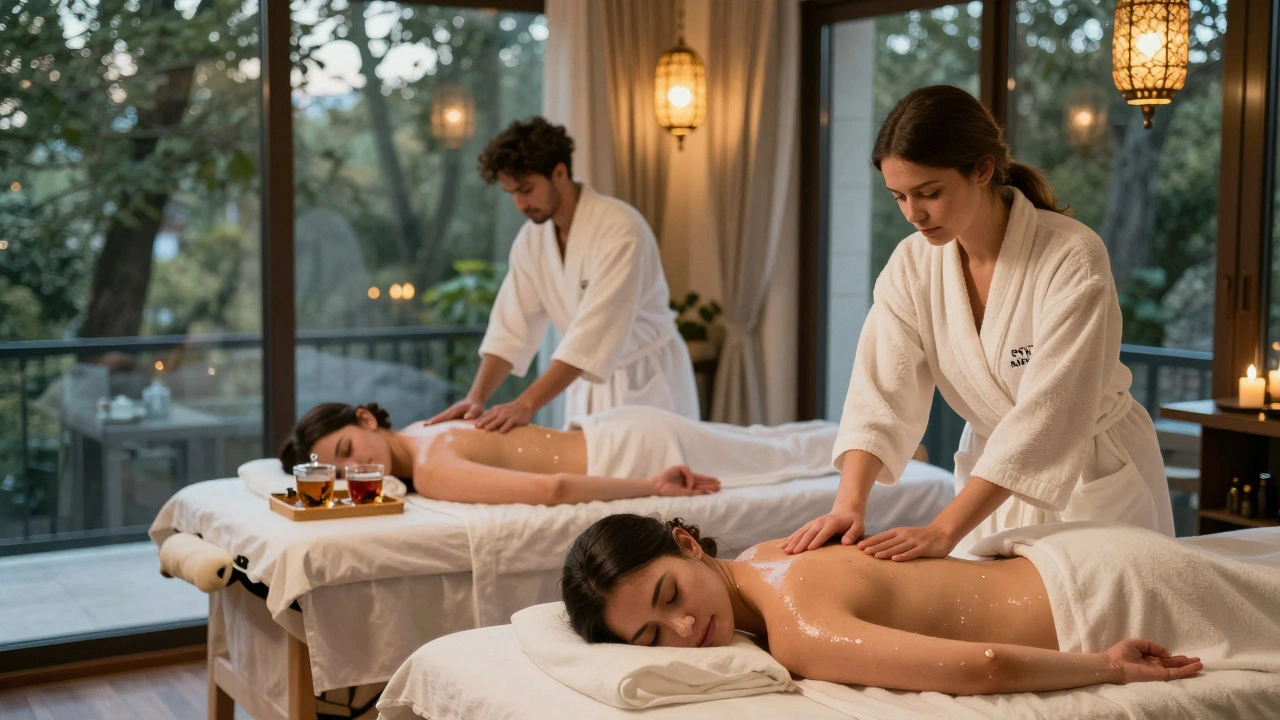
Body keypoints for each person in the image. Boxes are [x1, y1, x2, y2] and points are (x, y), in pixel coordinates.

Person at [785, 85, 1173, 561]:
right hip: (987, 487)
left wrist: (943, 529)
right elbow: (880, 390)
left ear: (983, 169)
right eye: (899, 196)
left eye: (929, 193)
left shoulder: (1071, 256)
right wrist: (848, 505)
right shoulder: (912, 265)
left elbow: (1049, 414)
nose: (913, 214)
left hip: (1087, 473)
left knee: (1105, 630)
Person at [560, 514, 1214, 695]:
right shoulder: (771, 547)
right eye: (651, 639)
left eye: (669, 595)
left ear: (687, 544)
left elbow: (985, 666)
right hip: (1070, 555)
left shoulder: (798, 630)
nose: (682, 628)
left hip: (1101, 596)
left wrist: (1109, 668)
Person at [427, 117, 698, 433]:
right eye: (511, 192)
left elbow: (593, 334)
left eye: (526, 189)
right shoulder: (532, 240)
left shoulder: (621, 231)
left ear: (560, 172)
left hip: (646, 383)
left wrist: (526, 404)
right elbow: (511, 326)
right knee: (591, 478)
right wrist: (476, 398)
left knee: (661, 479)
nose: (519, 204)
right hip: (586, 384)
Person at [278, 401, 840, 506]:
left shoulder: (434, 468)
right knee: (770, 442)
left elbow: (553, 490)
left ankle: (884, 449)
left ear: (366, 419)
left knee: (780, 459)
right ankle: (872, 440)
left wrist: (652, 485)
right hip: (614, 427)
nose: (356, 470)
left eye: (349, 449)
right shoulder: (430, 424)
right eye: (340, 470)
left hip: (628, 452)